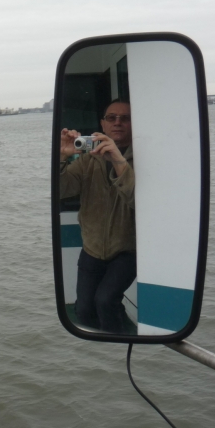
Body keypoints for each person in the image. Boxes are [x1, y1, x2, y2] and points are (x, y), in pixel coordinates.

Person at [60, 100, 135, 333]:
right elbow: (61, 191)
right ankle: (104, 345)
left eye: (125, 118)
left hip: (128, 249)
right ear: (102, 123)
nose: (118, 123)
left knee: (105, 301)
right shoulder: (87, 159)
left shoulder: (145, 158)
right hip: (92, 247)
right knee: (83, 309)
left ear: (135, 123)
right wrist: (62, 156)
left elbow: (136, 198)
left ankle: (119, 343)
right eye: (111, 118)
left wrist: (118, 159)